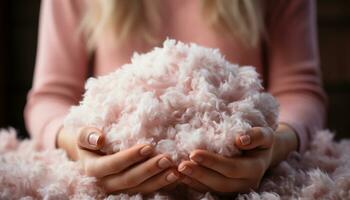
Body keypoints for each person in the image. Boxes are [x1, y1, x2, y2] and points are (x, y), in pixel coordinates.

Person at [24, 0, 326, 195]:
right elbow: (50, 96)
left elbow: (299, 90)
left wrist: (275, 146)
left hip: (238, 163)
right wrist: (77, 143)